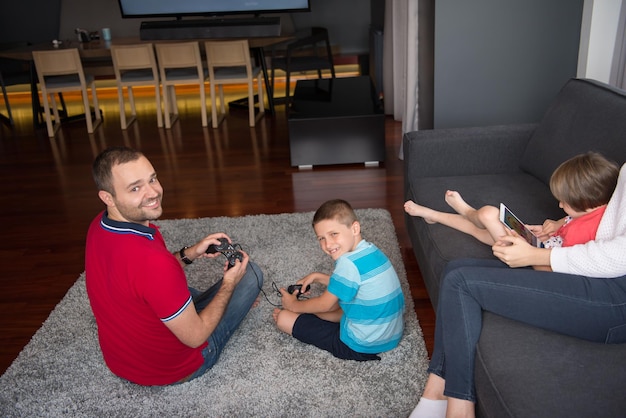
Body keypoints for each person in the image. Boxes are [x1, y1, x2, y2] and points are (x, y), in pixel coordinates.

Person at [409, 161, 626, 418]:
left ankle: (457, 408)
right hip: (592, 275)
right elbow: (610, 218)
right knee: (454, 271)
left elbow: (619, 255)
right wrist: (560, 225)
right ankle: (436, 393)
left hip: (612, 295)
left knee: (461, 283)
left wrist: (536, 256)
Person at [85, 146, 263, 386]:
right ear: (107, 197)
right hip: (172, 368)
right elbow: (196, 337)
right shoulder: (154, 264)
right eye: (135, 188)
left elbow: (141, 278)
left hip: (120, 359)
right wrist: (229, 285)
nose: (153, 192)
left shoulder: (99, 225)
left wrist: (191, 253)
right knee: (251, 274)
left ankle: (197, 308)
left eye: (153, 179)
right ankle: (222, 303)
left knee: (168, 288)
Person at [404, 152, 619, 259]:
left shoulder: (588, 231)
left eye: (567, 203)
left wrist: (529, 251)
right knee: (481, 227)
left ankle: (464, 211)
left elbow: (556, 264)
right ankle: (435, 215)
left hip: (531, 254)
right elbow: (571, 220)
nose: (561, 205)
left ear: (590, 204)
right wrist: (557, 224)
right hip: (538, 242)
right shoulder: (600, 209)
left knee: (488, 215)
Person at [272, 199, 405, 361]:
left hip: (361, 345)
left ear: (355, 228)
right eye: (321, 238)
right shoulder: (371, 251)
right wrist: (318, 276)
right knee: (338, 302)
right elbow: (353, 283)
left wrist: (294, 305)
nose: (327, 244)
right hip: (390, 336)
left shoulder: (347, 263)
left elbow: (324, 305)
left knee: (283, 319)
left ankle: (295, 312)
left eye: (333, 234)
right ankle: (305, 311)